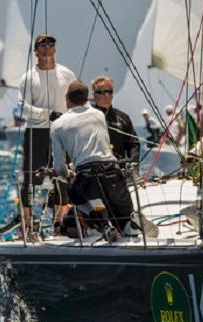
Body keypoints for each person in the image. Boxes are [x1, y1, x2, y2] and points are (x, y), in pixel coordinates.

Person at [50, 80, 134, 234]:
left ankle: (102, 224)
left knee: (75, 195)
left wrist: (68, 174)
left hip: (87, 178)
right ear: (88, 98)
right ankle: (129, 227)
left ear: (67, 97)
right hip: (113, 172)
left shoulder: (57, 125)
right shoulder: (99, 115)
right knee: (125, 220)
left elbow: (60, 168)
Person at [18, 33, 76, 229]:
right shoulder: (28, 77)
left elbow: (76, 101)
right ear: (35, 51)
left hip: (62, 132)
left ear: (55, 48)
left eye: (51, 42)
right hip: (37, 132)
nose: (47, 46)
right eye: (42, 44)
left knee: (62, 177)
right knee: (30, 179)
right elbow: (23, 106)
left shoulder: (67, 74)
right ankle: (27, 223)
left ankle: (58, 222)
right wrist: (47, 114)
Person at [91, 75, 140, 167]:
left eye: (109, 91)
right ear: (94, 95)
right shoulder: (87, 118)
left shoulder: (123, 117)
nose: (106, 95)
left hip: (119, 171)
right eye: (101, 92)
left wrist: (134, 163)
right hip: (95, 171)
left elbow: (133, 144)